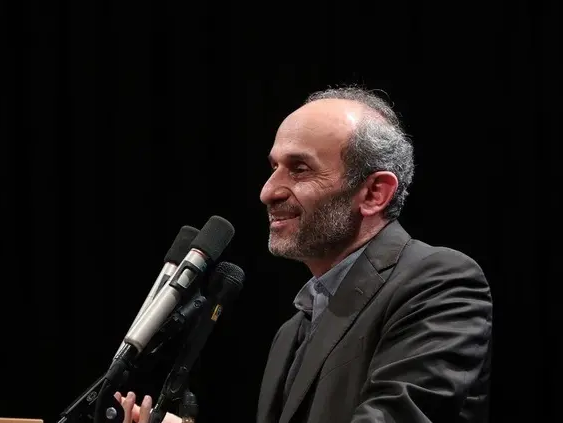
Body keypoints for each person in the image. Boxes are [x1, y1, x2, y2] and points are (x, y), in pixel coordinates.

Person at [117, 85, 493, 423]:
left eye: (299, 169)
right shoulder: (290, 332)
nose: (268, 192)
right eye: (274, 167)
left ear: (374, 193)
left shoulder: (438, 283)